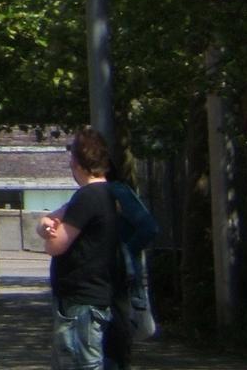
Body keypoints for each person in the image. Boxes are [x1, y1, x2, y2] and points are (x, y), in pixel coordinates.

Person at [39, 127, 121, 370]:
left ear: (76, 162)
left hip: (80, 299)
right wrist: (45, 225)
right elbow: (50, 220)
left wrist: (49, 235)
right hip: (96, 293)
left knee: (81, 362)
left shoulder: (87, 197)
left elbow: (56, 245)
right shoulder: (108, 194)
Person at [105, 176, 159, 367]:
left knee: (117, 343)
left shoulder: (116, 191)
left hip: (122, 281)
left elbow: (149, 228)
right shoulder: (97, 193)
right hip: (108, 282)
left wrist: (125, 253)